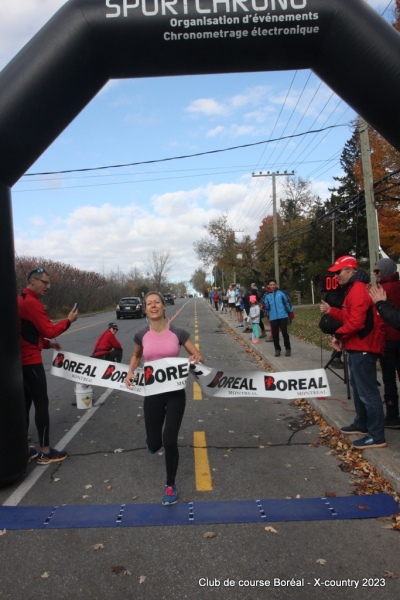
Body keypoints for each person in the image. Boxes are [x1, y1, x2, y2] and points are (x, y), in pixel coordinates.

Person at [124, 291, 203, 506]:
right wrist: (130, 371)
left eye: (156, 302)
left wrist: (195, 358)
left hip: (175, 394)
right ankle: (152, 442)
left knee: (169, 440)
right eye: (149, 304)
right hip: (153, 395)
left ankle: (170, 484)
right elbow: (137, 356)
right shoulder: (142, 335)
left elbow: (197, 355)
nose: (153, 306)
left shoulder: (178, 333)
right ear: (146, 309)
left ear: (164, 306)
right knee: (154, 442)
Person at [320, 255, 386, 449]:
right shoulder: (352, 289)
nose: (336, 276)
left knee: (367, 391)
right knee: (358, 389)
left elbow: (356, 323)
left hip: (364, 347)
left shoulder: (357, 290)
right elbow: (350, 316)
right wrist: (332, 310)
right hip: (357, 346)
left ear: (350, 270)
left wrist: (338, 335)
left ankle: (376, 435)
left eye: (338, 272)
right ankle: (362, 423)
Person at [18, 267, 79, 464]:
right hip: (30, 361)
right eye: (45, 282)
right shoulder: (32, 303)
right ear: (33, 281)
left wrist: (47, 344)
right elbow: (49, 330)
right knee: (41, 404)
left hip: (20, 360)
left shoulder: (19, 300)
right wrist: (68, 321)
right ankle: (45, 450)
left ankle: (24, 449)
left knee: (25, 404)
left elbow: (27, 332)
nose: (48, 286)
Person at [370, 259, 400, 429]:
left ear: (386, 270)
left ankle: (392, 414)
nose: (375, 274)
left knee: (389, 378)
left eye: (377, 271)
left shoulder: (381, 291)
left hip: (388, 340)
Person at [263, 278, 294, 357]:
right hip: (273, 317)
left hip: (283, 315)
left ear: (276, 285)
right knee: (275, 334)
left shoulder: (281, 293)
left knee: (284, 333)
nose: (272, 286)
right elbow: (267, 306)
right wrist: (264, 306)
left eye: (274, 284)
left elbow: (287, 302)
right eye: (271, 285)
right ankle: (277, 349)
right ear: (268, 286)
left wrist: (290, 312)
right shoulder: (267, 295)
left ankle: (288, 348)